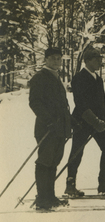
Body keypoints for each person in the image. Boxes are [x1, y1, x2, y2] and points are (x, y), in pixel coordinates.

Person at [65, 48, 105, 197]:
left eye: (100, 59)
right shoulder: (79, 78)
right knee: (77, 151)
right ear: (87, 61)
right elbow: (80, 103)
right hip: (83, 120)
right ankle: (70, 184)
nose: (99, 61)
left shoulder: (98, 79)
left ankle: (103, 183)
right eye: (96, 59)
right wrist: (95, 121)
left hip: (101, 121)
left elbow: (102, 101)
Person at [29, 47, 71, 210]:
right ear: (46, 59)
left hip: (59, 128)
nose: (56, 61)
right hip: (47, 128)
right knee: (45, 161)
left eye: (59, 58)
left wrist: (70, 121)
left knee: (54, 161)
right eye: (53, 58)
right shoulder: (40, 77)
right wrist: (48, 121)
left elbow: (62, 106)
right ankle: (42, 198)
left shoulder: (57, 77)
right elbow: (35, 102)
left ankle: (50, 196)